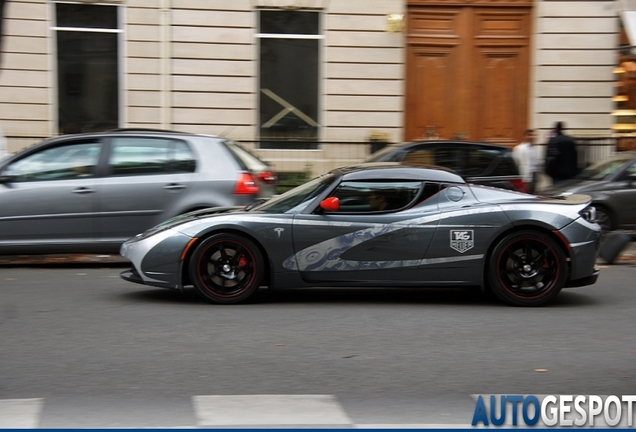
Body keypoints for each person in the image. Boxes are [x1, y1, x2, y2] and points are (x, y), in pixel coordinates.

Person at [512, 129, 539, 194]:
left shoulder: (534, 148)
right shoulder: (519, 148)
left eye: (533, 135)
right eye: (529, 135)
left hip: (533, 175)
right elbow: (515, 163)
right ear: (525, 136)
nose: (532, 137)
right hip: (524, 176)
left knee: (533, 194)